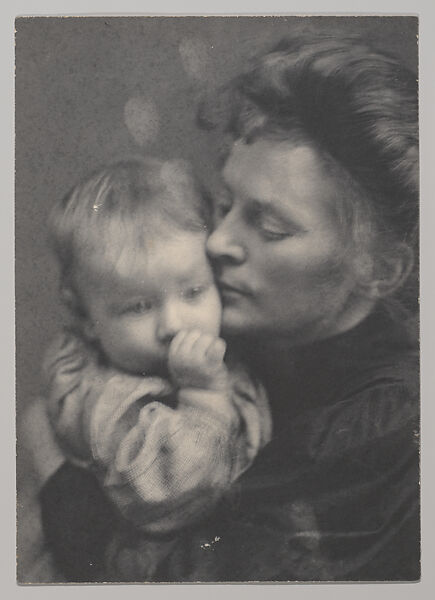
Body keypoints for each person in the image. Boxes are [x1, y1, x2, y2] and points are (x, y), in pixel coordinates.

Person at [38, 32, 419, 582]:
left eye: (269, 226)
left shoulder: (387, 426)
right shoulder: (250, 328)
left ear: (378, 267)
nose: (217, 243)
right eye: (224, 204)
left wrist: (47, 453)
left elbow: (171, 580)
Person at [40, 156, 271, 579]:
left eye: (194, 291)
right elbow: (166, 493)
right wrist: (203, 397)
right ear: (88, 321)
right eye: (139, 307)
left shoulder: (212, 346)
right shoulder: (109, 398)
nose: (173, 324)